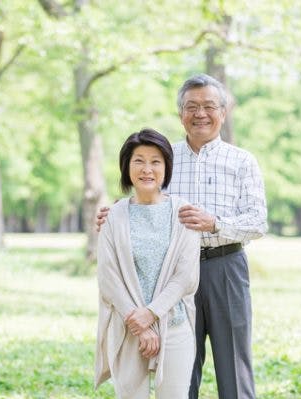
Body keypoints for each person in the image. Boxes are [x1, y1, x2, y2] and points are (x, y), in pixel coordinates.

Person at [96, 74, 268, 399]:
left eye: (208, 106)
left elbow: (258, 221)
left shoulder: (242, 160)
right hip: (169, 274)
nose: (200, 113)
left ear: (223, 111)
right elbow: (142, 197)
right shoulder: (164, 158)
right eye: (192, 107)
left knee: (234, 365)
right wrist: (113, 214)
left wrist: (214, 222)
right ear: (180, 114)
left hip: (225, 267)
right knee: (179, 367)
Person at [95, 128, 201, 399]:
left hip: (175, 324)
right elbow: (108, 277)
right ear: (126, 166)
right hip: (127, 326)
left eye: (155, 161)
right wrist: (139, 322)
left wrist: (151, 313)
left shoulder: (183, 213)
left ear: (166, 167)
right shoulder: (113, 216)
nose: (147, 169)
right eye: (138, 160)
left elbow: (185, 276)